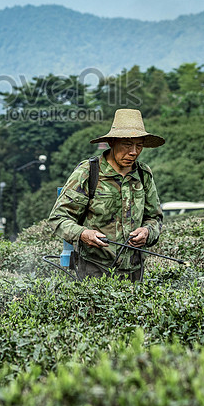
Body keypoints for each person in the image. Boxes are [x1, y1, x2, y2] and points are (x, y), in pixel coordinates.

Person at [48, 108, 164, 281]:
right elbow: (58, 218)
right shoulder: (88, 172)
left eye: (138, 145)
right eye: (127, 144)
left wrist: (147, 232)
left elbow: (155, 218)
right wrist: (83, 234)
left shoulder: (143, 174)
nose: (133, 152)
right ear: (112, 142)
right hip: (94, 271)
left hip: (134, 272)